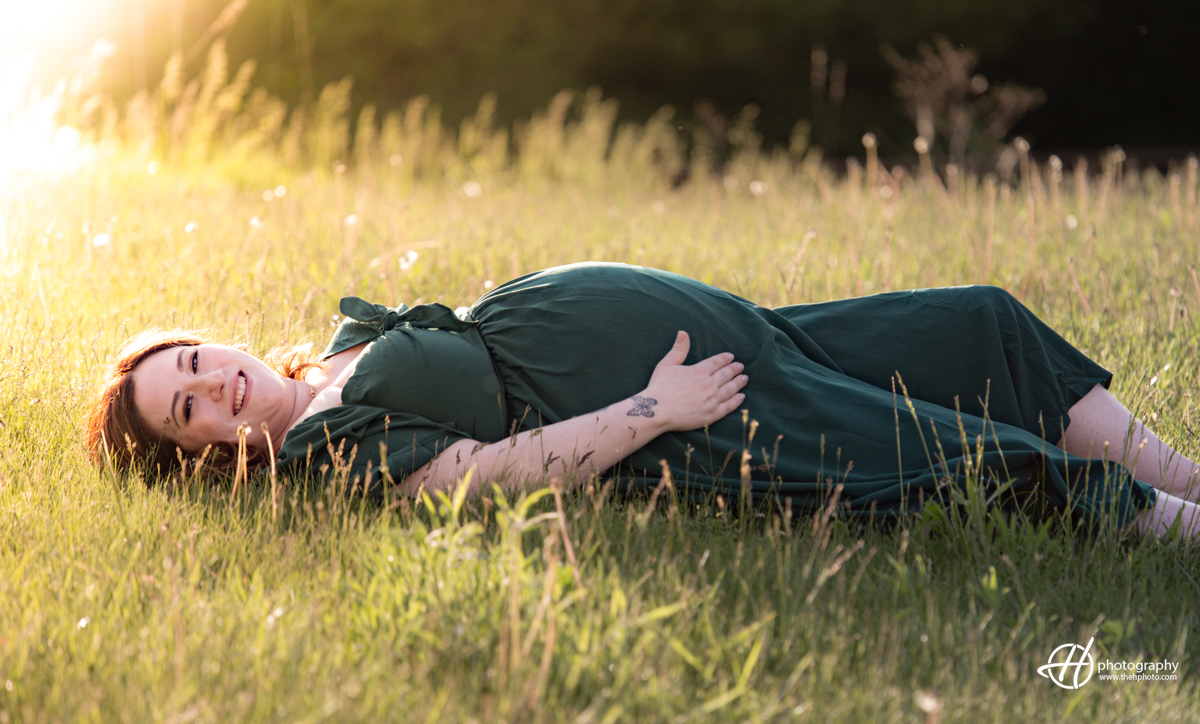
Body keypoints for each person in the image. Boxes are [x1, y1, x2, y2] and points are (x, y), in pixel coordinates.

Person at [84, 262, 1200, 539]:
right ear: (208, 456)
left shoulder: (336, 352)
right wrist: (655, 410)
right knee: (948, 450)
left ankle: (1182, 472)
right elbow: (486, 476)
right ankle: (1174, 530)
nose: (215, 388)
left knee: (975, 324)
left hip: (750, 330)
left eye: (192, 364)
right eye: (192, 415)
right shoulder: (326, 451)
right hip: (698, 411)